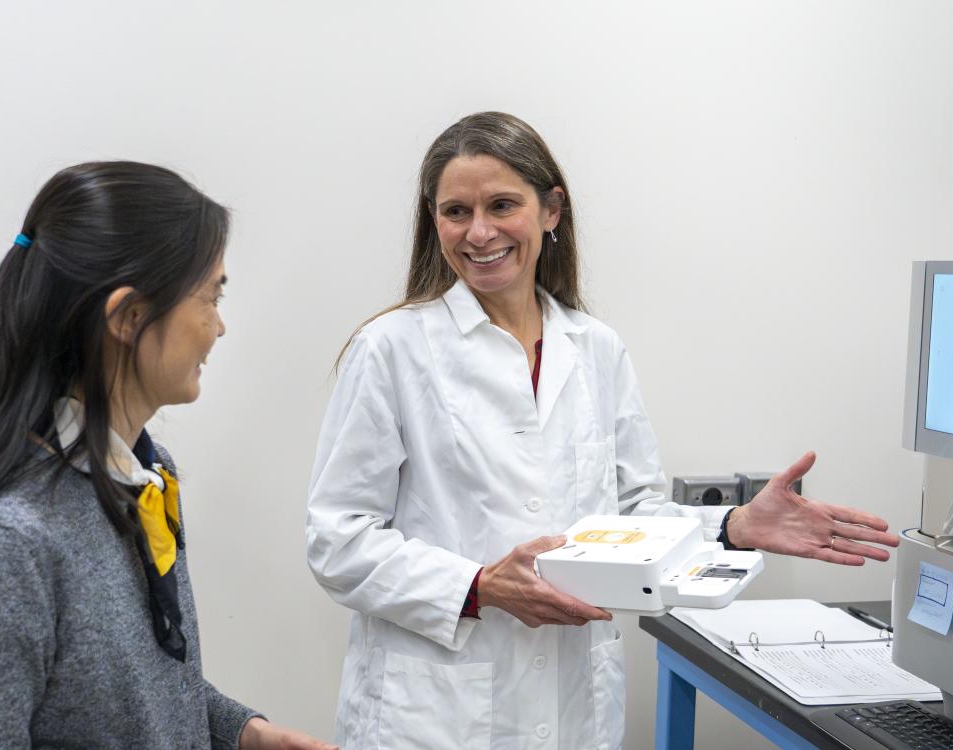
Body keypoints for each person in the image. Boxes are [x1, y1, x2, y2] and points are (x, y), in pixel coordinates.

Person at [305, 112, 900, 749]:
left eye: (502, 205)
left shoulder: (596, 350)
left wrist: (731, 527)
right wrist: (479, 588)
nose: (479, 232)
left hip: (573, 703)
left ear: (551, 210)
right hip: (435, 715)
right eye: (456, 212)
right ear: (435, 222)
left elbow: (632, 515)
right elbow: (337, 540)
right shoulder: (391, 349)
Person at [0, 162, 337, 750]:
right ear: (129, 316)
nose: (218, 326)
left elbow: (141, 687)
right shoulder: (11, 542)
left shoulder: (146, 472)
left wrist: (245, 733)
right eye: (210, 296)